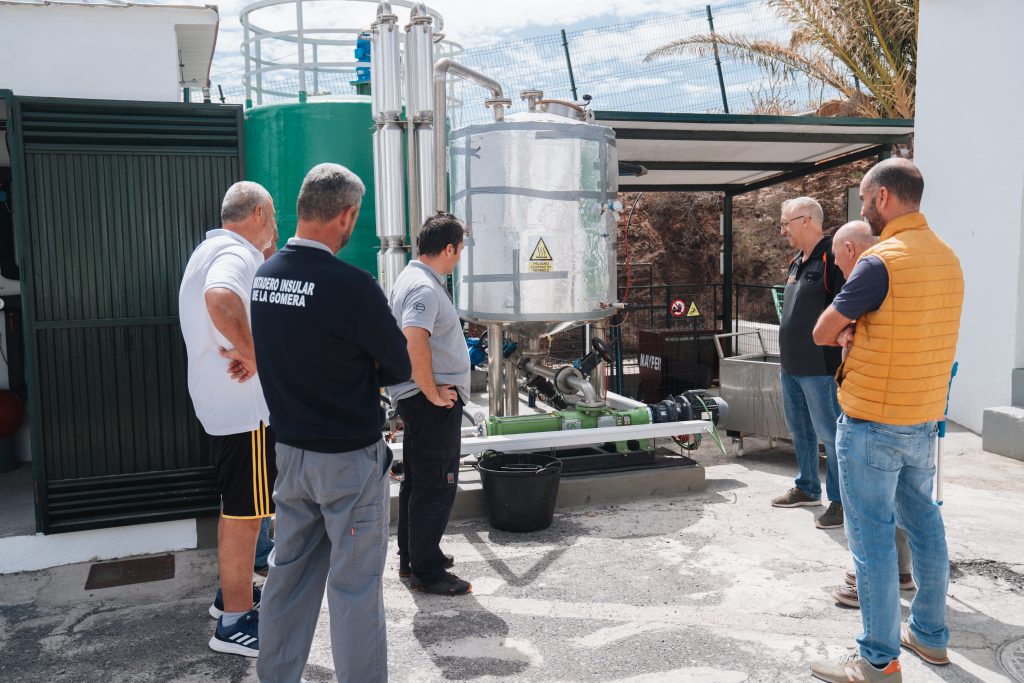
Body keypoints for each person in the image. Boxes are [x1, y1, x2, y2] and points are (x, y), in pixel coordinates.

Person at [252, 163, 411, 683]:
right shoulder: (352, 285)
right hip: (348, 458)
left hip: (291, 454)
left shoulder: (265, 277)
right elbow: (399, 365)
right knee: (355, 587)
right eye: (353, 219)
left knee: (287, 578)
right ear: (346, 216)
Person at [809, 158, 964, 682]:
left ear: (882, 199)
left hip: (873, 423)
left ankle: (877, 660)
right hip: (922, 419)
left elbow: (823, 331)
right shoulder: (948, 259)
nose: (861, 206)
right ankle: (930, 636)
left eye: (862, 196)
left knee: (872, 542)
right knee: (926, 528)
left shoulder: (881, 261)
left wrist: (849, 333)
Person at [178, 181, 279, 657]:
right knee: (246, 515)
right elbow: (221, 298)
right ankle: (236, 623)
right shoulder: (235, 256)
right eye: (273, 216)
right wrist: (255, 355)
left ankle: (228, 598)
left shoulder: (213, 249)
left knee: (236, 507)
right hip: (245, 408)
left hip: (223, 403)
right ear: (259, 212)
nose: (275, 225)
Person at [826, 221, 916, 610]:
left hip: (873, 407)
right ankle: (900, 573)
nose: (838, 267)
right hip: (913, 405)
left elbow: (822, 329)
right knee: (903, 502)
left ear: (849, 250)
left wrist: (840, 331)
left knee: (867, 509)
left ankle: (869, 588)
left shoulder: (873, 270)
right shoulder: (912, 268)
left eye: (837, 259)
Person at [387, 212, 472, 596]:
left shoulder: (413, 278)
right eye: (460, 250)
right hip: (429, 402)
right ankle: (428, 570)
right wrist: (434, 393)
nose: (459, 258)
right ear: (449, 247)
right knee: (437, 484)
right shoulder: (423, 287)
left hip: (419, 400)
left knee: (418, 482)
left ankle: (414, 557)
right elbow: (414, 339)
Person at [773, 197, 846, 530]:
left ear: (807, 221)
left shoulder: (833, 259)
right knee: (799, 430)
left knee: (831, 436)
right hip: (792, 366)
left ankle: (841, 502)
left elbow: (845, 310)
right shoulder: (797, 261)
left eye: (786, 222)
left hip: (821, 368)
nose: (783, 229)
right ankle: (807, 487)